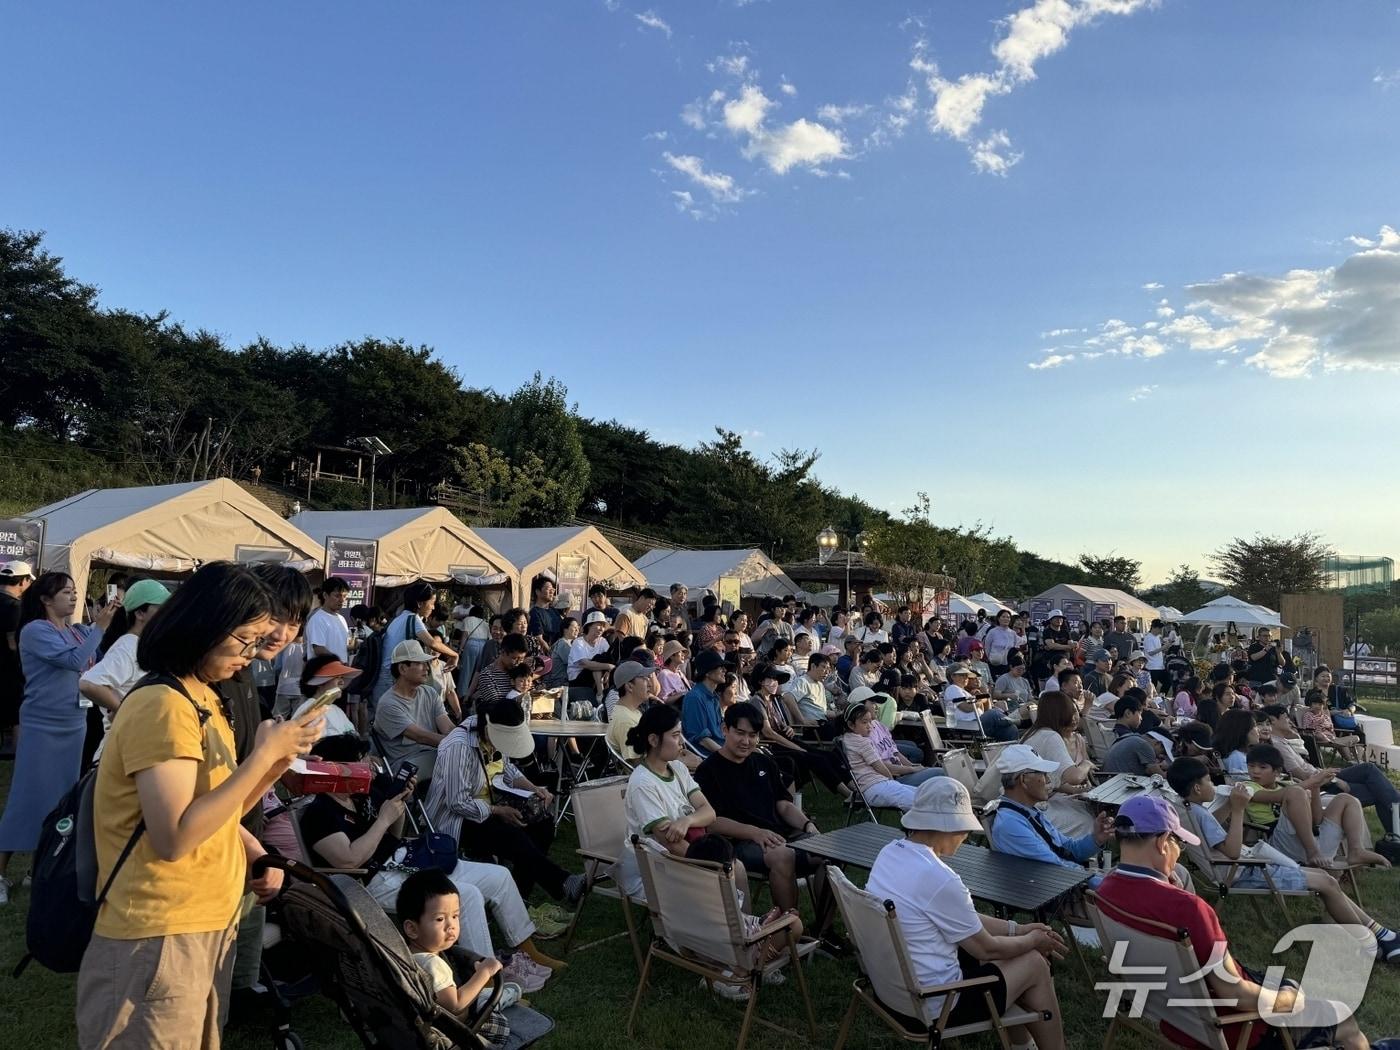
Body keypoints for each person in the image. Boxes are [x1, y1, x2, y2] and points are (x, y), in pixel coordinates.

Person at [75, 561, 324, 1047]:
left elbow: (221, 813)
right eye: (245, 640)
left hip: (201, 922)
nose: (251, 655)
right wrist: (261, 757)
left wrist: (276, 762)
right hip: (158, 931)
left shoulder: (203, 698)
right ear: (205, 626)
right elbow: (174, 837)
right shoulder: (163, 705)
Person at [1096, 795, 1386, 1050]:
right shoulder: (1188, 909)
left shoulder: (1104, 892)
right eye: (1178, 843)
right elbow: (1233, 993)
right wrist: (1287, 1001)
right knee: (1340, 1016)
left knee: (1290, 985)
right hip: (1232, 1028)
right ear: (1162, 843)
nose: (1179, 851)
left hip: (1171, 1015)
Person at [299, 734, 560, 990]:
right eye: (360, 760)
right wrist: (383, 820)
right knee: (466, 896)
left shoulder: (362, 794)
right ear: (336, 768)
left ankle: (527, 949)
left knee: (499, 876)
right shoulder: (320, 813)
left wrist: (399, 806)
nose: (368, 767)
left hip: (406, 860)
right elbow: (348, 861)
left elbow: (394, 836)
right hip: (372, 881)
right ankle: (484, 982)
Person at [865, 778, 1068, 1050]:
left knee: (1013, 956)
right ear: (947, 827)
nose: (966, 836)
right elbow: (987, 948)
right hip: (934, 1005)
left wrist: (1018, 930)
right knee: (1033, 963)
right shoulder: (939, 878)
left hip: (891, 991)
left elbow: (964, 920)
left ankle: (1024, 1046)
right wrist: (1034, 941)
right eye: (964, 828)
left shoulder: (890, 853)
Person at [1168, 756, 1400, 960]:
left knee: (1325, 879)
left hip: (1240, 867)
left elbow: (1212, 827)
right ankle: (1371, 940)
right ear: (1197, 788)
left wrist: (1230, 803)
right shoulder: (1199, 814)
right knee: (1327, 882)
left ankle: (1381, 935)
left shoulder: (1185, 807)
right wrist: (1238, 810)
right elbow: (1233, 851)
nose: (1212, 785)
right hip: (1243, 871)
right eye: (1208, 781)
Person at [0, 571, 118, 902]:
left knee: (62, 800)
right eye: (66, 592)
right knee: (27, 797)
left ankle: (37, 869)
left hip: (74, 722)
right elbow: (73, 661)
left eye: (74, 590)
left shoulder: (78, 631)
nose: (73, 596)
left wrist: (101, 627)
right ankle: (1, 873)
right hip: (42, 725)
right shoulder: (35, 631)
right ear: (45, 599)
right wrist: (99, 629)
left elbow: (94, 666)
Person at [427, 696, 585, 919]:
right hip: (455, 820)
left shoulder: (491, 734)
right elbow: (457, 802)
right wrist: (498, 811)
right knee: (512, 836)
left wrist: (534, 789)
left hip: (490, 806)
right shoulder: (459, 746)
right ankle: (562, 883)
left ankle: (518, 897)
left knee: (544, 825)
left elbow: (508, 770)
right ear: (489, 729)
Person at [694, 702, 828, 915]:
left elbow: (783, 804)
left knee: (828, 853)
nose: (746, 741)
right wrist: (755, 832)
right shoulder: (708, 770)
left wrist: (807, 825)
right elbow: (712, 821)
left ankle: (824, 929)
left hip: (780, 835)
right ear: (725, 729)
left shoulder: (764, 762)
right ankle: (789, 927)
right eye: (740, 733)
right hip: (740, 843)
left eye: (753, 735)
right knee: (783, 856)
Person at [395, 869, 518, 1036]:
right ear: (412, 929)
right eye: (440, 919)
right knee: (499, 1024)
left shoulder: (405, 955)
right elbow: (456, 1004)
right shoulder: (432, 964)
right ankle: (494, 1000)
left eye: (455, 916)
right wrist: (484, 972)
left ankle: (488, 998)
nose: (451, 926)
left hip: (424, 1027)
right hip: (452, 1034)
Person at [616, 704, 719, 899]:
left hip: (681, 859)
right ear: (654, 740)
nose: (682, 742)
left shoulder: (677, 768)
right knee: (724, 879)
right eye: (675, 735)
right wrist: (710, 868)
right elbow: (671, 844)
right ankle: (738, 917)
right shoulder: (643, 784)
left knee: (737, 869)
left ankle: (741, 917)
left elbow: (709, 812)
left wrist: (687, 821)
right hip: (655, 869)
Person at [1261, 703, 1399, 838]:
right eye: (1285, 718)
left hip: (1321, 775)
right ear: (1273, 721)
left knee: (1372, 776)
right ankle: (1396, 833)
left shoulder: (1283, 741)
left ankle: (1395, 836)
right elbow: (1301, 775)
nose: (1290, 721)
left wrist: (1294, 735)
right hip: (1321, 784)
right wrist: (1334, 779)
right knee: (1376, 787)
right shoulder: (1278, 746)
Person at [1243, 743, 1388, 869]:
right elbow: (1276, 796)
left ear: (1277, 771)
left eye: (1262, 767)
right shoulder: (1246, 788)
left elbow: (1316, 820)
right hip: (1281, 845)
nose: (1255, 771)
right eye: (1251, 766)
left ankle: (1356, 850)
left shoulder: (1288, 785)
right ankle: (1313, 852)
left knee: (1346, 799)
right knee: (1295, 792)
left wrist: (1315, 787)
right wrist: (1313, 781)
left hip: (1313, 842)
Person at [988, 744, 1115, 881]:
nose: (1048, 780)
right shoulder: (1011, 824)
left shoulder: (1027, 812)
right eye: (1043, 774)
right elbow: (1056, 868)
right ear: (1024, 779)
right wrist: (1102, 880)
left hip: (1063, 883)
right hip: (1053, 888)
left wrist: (1096, 838)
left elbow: (1069, 849)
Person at [78, 579, 172, 748]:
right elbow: (89, 683)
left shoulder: (143, 645)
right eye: (161, 608)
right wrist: (124, 710)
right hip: (122, 747)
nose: (167, 614)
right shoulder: (128, 646)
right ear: (140, 613)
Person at [750, 663, 851, 797]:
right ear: (760, 681)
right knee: (815, 759)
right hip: (772, 744)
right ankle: (848, 794)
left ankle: (854, 788)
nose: (775, 683)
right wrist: (796, 747)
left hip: (784, 738)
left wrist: (788, 728)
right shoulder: (757, 701)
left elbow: (779, 724)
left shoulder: (772, 700)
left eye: (776, 679)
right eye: (771, 679)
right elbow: (768, 732)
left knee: (829, 755)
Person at [374, 640, 454, 784]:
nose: (427, 668)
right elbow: (420, 736)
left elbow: (447, 727)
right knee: (453, 762)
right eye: (420, 663)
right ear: (403, 669)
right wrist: (456, 743)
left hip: (432, 754)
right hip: (405, 763)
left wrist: (462, 735)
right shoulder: (388, 704)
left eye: (426, 663)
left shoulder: (429, 693)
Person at [372, 581, 458, 702]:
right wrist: (454, 655)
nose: (433, 607)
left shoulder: (401, 617)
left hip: (386, 677)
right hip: (390, 679)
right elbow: (432, 643)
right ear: (419, 603)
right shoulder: (413, 619)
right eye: (432, 603)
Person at [842, 702, 922, 810]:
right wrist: (891, 780)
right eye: (864, 722)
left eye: (870, 721)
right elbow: (879, 766)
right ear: (851, 725)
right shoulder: (862, 742)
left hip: (870, 787)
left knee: (920, 796)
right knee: (920, 801)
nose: (869, 726)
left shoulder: (847, 738)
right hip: (875, 786)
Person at [0, 560, 34, 756]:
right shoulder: (15, 607)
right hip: (9, 669)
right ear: (22, 581)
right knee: (17, 714)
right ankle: (16, 752)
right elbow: (13, 643)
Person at [680, 650, 728, 754]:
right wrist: (728, 755)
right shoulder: (694, 698)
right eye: (720, 667)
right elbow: (702, 740)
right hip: (707, 756)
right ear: (708, 673)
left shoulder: (714, 697)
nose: (725, 670)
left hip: (720, 751)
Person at [1303, 689, 1364, 763]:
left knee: (1356, 738)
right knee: (1320, 735)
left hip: (1332, 738)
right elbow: (1306, 728)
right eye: (1315, 704)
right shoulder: (1308, 715)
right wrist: (1318, 725)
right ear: (1311, 704)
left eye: (1320, 705)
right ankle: (1336, 743)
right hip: (1318, 736)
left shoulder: (1325, 716)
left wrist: (1332, 733)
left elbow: (1331, 728)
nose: (1317, 706)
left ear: (1323, 706)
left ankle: (1351, 761)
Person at [473, 632, 529, 708]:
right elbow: (495, 707)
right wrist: (521, 698)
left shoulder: (520, 671)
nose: (518, 663)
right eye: (514, 658)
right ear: (503, 652)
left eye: (521, 659)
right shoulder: (487, 675)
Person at [566, 610, 614, 697]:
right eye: (599, 625)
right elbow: (585, 664)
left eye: (603, 626)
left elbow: (609, 658)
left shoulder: (602, 641)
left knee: (604, 657)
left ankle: (603, 693)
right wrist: (608, 667)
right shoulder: (578, 642)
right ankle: (600, 693)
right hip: (578, 680)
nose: (601, 629)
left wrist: (608, 671)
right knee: (598, 658)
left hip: (595, 679)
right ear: (589, 625)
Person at [305, 576, 351, 663]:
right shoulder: (318, 619)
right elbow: (319, 649)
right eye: (337, 596)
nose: (342, 600)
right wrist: (339, 663)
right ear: (325, 595)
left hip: (340, 670)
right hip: (324, 670)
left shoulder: (342, 619)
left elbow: (340, 647)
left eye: (344, 596)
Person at [1102, 714, 1167, 776]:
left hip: (1110, 780)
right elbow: (1159, 775)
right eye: (1162, 753)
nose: (1160, 756)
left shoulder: (1130, 738)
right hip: (1117, 781)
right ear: (1158, 743)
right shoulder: (1144, 745)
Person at [1212, 707, 1258, 776]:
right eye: (1254, 726)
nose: (1258, 730)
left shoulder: (1239, 754)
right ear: (1242, 731)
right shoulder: (1237, 758)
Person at [982, 609, 1020, 679]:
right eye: (1003, 617)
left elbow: (1014, 647)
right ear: (998, 618)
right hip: (994, 663)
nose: (1006, 619)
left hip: (1008, 665)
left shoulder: (1013, 633)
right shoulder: (992, 632)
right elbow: (987, 647)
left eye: (1008, 617)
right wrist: (990, 659)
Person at [526, 573, 561, 645]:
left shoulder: (554, 611)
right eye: (548, 589)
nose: (552, 592)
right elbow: (539, 639)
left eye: (553, 589)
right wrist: (550, 651)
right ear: (538, 592)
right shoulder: (534, 612)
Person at [1142, 619, 1167, 690]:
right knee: (1153, 686)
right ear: (1153, 627)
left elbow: (1158, 650)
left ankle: (1162, 695)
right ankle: (1153, 696)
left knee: (1167, 682)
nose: (1160, 630)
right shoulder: (1149, 638)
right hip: (1152, 666)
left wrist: (1165, 649)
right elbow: (1151, 653)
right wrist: (1163, 648)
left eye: (1161, 628)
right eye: (1159, 628)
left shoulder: (1157, 637)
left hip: (1159, 665)